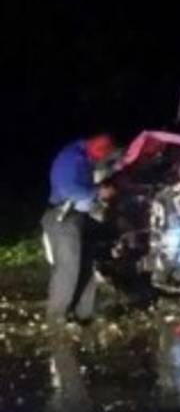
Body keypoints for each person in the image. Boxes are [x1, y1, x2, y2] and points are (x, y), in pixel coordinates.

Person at [43, 133, 118, 326]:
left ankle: (84, 316)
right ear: (97, 150)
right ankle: (56, 319)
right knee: (68, 268)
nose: (100, 161)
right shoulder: (71, 158)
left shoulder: (85, 159)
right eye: (102, 157)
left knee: (86, 266)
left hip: (79, 218)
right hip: (63, 217)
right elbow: (69, 190)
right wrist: (99, 191)